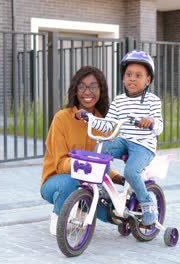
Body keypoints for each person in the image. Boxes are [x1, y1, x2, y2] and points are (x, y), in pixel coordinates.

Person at [76, 50, 163, 226]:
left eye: (138, 75)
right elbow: (108, 125)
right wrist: (90, 118)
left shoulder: (153, 101)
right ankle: (102, 189)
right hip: (123, 140)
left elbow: (159, 126)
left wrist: (151, 121)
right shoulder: (119, 100)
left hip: (143, 145)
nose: (132, 78)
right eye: (129, 75)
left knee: (131, 172)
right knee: (100, 152)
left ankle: (147, 202)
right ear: (123, 79)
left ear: (147, 81)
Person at [40, 66, 124, 236]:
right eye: (82, 86)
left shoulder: (103, 123)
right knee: (72, 183)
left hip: (90, 183)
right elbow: (60, 163)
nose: (88, 92)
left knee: (113, 214)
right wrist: (82, 165)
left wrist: (117, 177)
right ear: (75, 90)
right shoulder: (62, 118)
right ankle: (59, 217)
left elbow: (100, 160)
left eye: (93, 86)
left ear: (101, 90)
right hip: (58, 181)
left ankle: (81, 208)